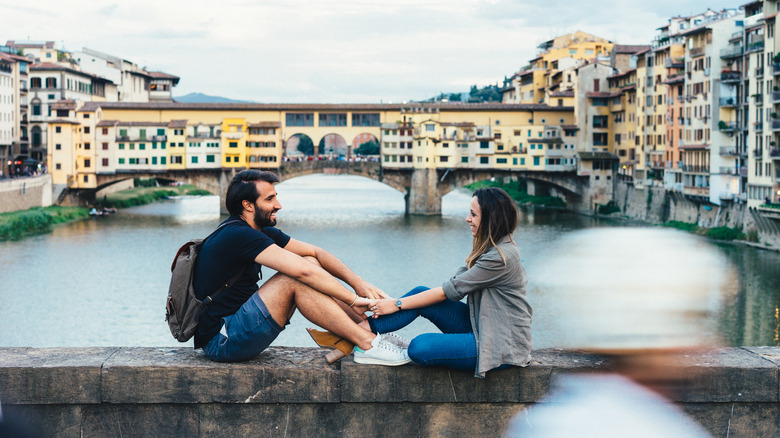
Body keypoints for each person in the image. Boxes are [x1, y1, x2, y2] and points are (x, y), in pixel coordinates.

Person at [193, 169, 409, 365]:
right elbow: (302, 273)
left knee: (309, 261)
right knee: (294, 278)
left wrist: (358, 283)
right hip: (222, 339)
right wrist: (353, 299)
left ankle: (369, 332)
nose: (278, 205)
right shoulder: (238, 234)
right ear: (248, 205)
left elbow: (315, 253)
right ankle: (367, 343)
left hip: (238, 326)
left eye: (276, 197)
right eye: (270, 199)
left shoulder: (258, 230)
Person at [365, 187, 532, 377]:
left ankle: (359, 334)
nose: (467, 219)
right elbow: (454, 283)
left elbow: (449, 291)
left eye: (473, 214)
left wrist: (396, 304)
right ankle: (360, 334)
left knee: (419, 347)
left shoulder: (501, 257)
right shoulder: (491, 248)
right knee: (420, 293)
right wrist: (392, 305)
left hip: (499, 344)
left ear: (489, 220)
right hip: (482, 324)